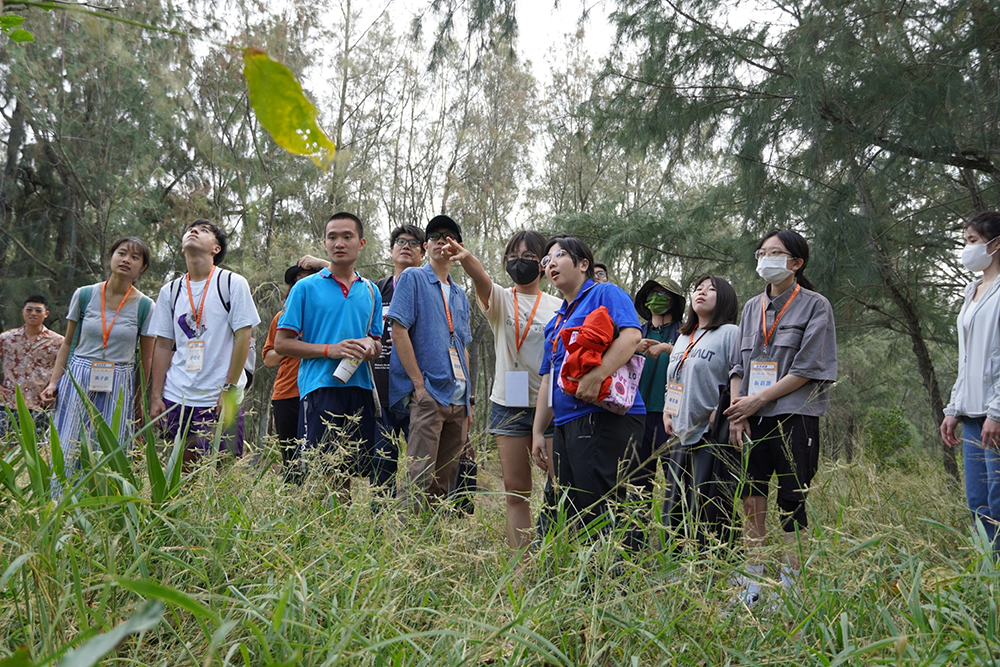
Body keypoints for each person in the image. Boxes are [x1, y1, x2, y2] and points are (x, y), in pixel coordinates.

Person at [725, 229, 837, 606]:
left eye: (776, 252)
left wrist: (758, 401)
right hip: (750, 417)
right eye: (762, 251)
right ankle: (752, 581)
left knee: (792, 502)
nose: (766, 258)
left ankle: (790, 586)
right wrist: (738, 410)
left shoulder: (815, 305)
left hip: (794, 415)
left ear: (796, 262)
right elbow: (738, 363)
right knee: (750, 498)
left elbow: (808, 367)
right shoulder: (750, 307)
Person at [446, 229, 561, 552]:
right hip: (509, 404)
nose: (519, 263)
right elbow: (481, 279)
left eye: (527, 257)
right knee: (516, 490)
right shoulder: (499, 299)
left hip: (550, 404)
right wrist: (465, 258)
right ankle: (520, 567)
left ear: (543, 264)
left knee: (560, 486)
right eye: (513, 257)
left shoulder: (557, 305)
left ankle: (554, 556)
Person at [531, 235, 646, 539]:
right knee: (575, 506)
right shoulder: (555, 322)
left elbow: (632, 337)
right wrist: (538, 432)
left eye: (559, 256)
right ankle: (590, 582)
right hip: (567, 422)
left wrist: (597, 376)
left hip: (605, 415)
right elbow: (548, 378)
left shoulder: (605, 293)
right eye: (546, 261)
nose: (550, 264)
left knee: (605, 505)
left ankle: (618, 580)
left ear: (584, 264)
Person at [274, 212, 382, 495]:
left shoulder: (370, 290)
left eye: (347, 236)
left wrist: (372, 347)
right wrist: (328, 350)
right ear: (324, 243)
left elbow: (377, 341)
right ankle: (314, 533)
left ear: (361, 243)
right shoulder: (305, 287)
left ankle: (340, 536)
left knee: (348, 473)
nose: (339, 243)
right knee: (322, 472)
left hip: (360, 388)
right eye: (332, 237)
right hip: (320, 388)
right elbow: (282, 344)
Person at [149, 220, 260, 464]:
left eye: (204, 230)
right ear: (182, 248)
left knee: (219, 474)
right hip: (177, 394)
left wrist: (229, 390)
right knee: (180, 471)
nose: (193, 231)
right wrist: (156, 396)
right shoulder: (171, 290)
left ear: (216, 249)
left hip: (218, 395)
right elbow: (164, 344)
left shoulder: (232, 283)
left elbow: (244, 335)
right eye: (189, 229)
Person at [40, 238, 155, 465]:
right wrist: (54, 382)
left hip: (120, 379)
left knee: (112, 446)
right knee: (69, 444)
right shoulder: (84, 295)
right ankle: (62, 498)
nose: (126, 260)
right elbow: (68, 343)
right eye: (121, 253)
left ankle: (108, 499)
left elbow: (146, 357)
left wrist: (139, 399)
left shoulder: (145, 306)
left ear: (142, 268)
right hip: (80, 374)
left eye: (134, 257)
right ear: (111, 257)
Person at [388, 214, 472, 511]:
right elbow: (398, 330)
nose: (440, 241)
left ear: (458, 247)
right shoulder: (413, 278)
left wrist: (469, 402)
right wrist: (418, 385)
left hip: (459, 399)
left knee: (444, 482)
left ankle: (430, 550)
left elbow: (463, 346)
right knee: (417, 477)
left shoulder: (461, 295)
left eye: (448, 236)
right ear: (427, 245)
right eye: (434, 236)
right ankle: (402, 549)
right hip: (430, 395)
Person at [662, 275, 739, 541]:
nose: (701, 293)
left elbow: (739, 373)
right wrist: (667, 410)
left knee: (710, 502)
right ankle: (678, 564)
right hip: (680, 430)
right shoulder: (684, 337)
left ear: (725, 298)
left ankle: (717, 564)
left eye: (711, 289)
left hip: (712, 432)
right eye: (697, 288)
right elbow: (674, 378)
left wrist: (726, 409)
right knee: (675, 502)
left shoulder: (730, 333)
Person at [941, 210, 1000, 556]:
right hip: (972, 414)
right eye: (965, 242)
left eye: (973, 242)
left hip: (995, 413)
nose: (967, 249)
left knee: (998, 499)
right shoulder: (971, 290)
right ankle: (986, 579)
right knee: (977, 502)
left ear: (996, 244)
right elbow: (968, 357)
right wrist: (954, 408)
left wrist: (997, 410)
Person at [627, 276, 686, 547]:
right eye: (652, 292)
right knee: (637, 484)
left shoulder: (684, 334)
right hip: (638, 418)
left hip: (673, 418)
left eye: (663, 293)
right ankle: (633, 545)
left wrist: (669, 349)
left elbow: (693, 361)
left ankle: (675, 546)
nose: (657, 297)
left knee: (677, 484)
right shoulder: (636, 332)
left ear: (674, 300)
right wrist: (631, 348)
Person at [371, 225, 425, 495]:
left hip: (418, 392)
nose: (406, 246)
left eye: (414, 243)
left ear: (423, 253)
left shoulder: (429, 289)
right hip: (382, 392)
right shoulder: (376, 290)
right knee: (381, 465)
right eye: (400, 242)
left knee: (422, 468)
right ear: (391, 250)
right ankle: (377, 532)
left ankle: (420, 530)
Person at [261, 263, 320, 482]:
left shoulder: (327, 314)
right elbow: (268, 358)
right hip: (287, 394)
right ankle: (292, 506)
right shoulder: (282, 318)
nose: (301, 284)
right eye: (297, 281)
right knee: (291, 461)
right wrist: (291, 344)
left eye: (308, 279)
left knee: (320, 458)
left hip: (318, 390)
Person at [0, 295, 63, 438]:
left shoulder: (58, 342)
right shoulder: (6, 338)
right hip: (9, 404)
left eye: (38, 310)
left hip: (40, 405)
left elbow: (66, 370)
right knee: (6, 449)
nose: (33, 313)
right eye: (29, 310)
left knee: (38, 450)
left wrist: (54, 392)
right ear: (22, 312)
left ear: (46, 314)